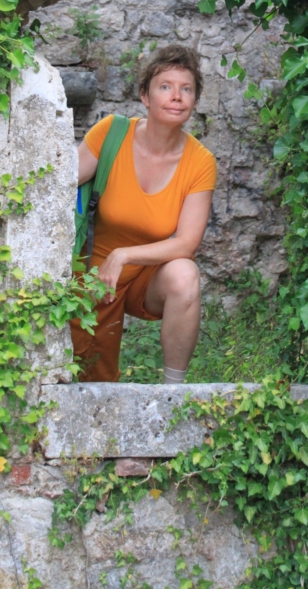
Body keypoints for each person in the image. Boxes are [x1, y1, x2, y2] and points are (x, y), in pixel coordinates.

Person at [70, 44, 216, 383]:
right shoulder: (111, 134)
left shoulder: (201, 162)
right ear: (145, 96)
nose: (176, 96)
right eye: (165, 86)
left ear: (195, 100)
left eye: (186, 89)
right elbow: (57, 186)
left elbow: (186, 243)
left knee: (184, 274)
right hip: (90, 278)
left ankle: (173, 395)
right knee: (87, 379)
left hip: (143, 279)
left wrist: (124, 255)